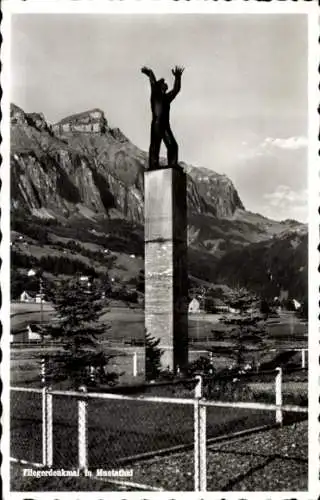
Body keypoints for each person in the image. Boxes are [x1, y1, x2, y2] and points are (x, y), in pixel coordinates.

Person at [141, 65, 184, 170]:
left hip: (165, 124)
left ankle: (172, 164)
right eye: (163, 83)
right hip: (157, 124)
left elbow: (176, 89)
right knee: (155, 146)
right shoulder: (155, 94)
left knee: (173, 145)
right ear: (160, 86)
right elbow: (152, 79)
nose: (165, 84)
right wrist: (149, 72)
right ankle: (153, 165)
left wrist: (178, 77)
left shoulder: (167, 98)